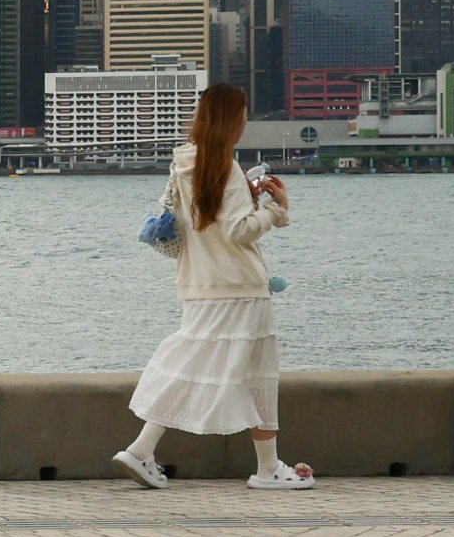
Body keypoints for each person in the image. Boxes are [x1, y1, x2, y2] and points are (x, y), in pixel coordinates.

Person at [116, 80, 312, 490]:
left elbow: (212, 225)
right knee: (258, 375)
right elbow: (239, 232)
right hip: (240, 288)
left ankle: (143, 449)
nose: (246, 120)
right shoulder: (226, 167)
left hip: (199, 286)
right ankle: (266, 469)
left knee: (193, 367)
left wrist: (249, 197)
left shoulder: (187, 164)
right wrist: (276, 210)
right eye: (243, 113)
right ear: (231, 119)